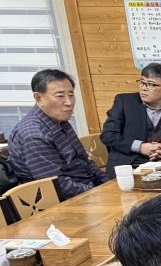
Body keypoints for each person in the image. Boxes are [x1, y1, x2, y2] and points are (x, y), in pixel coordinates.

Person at [8, 69, 107, 198]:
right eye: (60, 96)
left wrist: (106, 184)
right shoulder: (33, 135)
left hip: (87, 190)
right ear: (39, 98)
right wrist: (99, 193)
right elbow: (58, 185)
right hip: (60, 201)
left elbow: (84, 161)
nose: (69, 103)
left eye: (71, 95)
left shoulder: (60, 120)